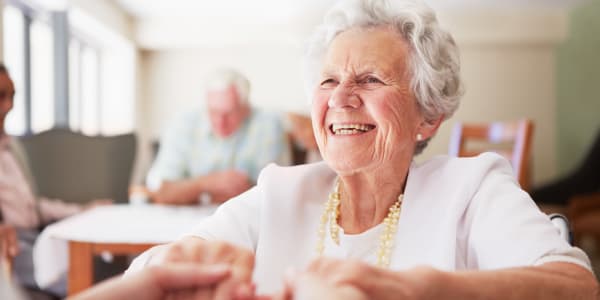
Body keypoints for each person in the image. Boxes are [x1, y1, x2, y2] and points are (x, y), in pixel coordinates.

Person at [127, 0, 598, 299]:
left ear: (428, 115)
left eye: (370, 79)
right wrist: (178, 261)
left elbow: (575, 287)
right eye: (329, 79)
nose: (339, 97)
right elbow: (159, 267)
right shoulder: (280, 191)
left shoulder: (473, 190)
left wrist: (422, 290)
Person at [0, 63, 110, 298]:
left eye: (12, 96)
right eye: (1, 96)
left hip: (35, 237)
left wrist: (84, 210)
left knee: (98, 263)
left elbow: (35, 206)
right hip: (11, 246)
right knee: (81, 279)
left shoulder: (12, 148)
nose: (9, 106)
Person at [146, 68, 291, 205]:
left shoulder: (268, 124)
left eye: (229, 113)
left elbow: (276, 192)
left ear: (246, 107)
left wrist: (191, 191)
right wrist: (207, 183)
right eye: (213, 112)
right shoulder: (183, 124)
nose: (220, 123)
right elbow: (161, 191)